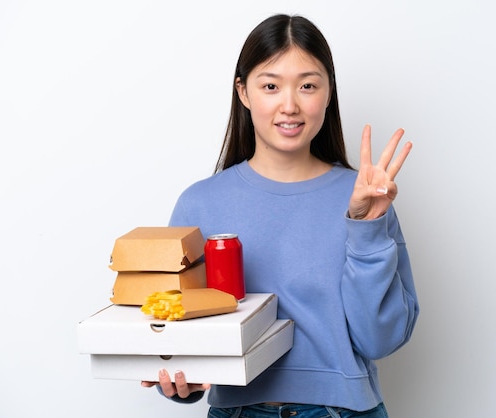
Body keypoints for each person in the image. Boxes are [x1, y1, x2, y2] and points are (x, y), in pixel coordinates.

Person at [141, 13, 419, 418]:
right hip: (237, 409)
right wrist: (179, 384)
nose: (290, 105)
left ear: (328, 93)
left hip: (342, 411)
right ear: (244, 92)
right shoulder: (198, 204)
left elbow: (380, 340)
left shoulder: (363, 197)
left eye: (307, 85)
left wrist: (367, 228)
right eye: (270, 86)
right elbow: (180, 336)